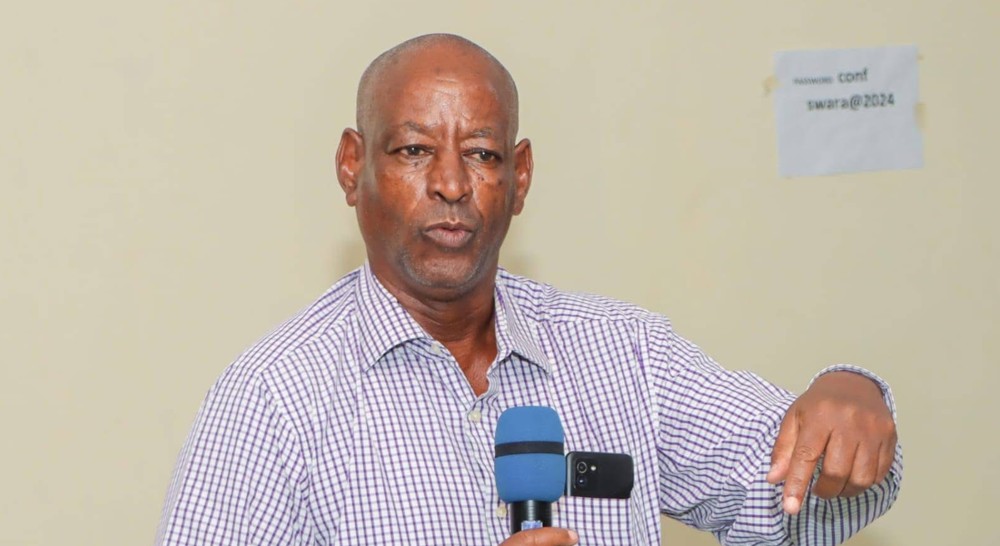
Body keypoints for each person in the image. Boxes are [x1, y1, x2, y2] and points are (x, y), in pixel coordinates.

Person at [156, 34, 901, 545]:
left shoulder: (624, 355)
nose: (451, 184)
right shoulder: (272, 399)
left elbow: (808, 495)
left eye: (480, 154)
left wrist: (851, 394)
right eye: (414, 150)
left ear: (520, 177)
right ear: (353, 167)